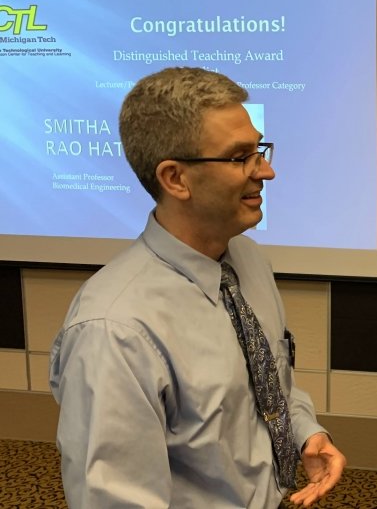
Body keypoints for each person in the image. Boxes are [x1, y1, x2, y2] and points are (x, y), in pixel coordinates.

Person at [49, 67, 346, 508]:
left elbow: (268, 386)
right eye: (239, 157)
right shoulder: (114, 332)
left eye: (259, 149)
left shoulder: (247, 260)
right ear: (175, 179)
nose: (266, 170)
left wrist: (305, 432)